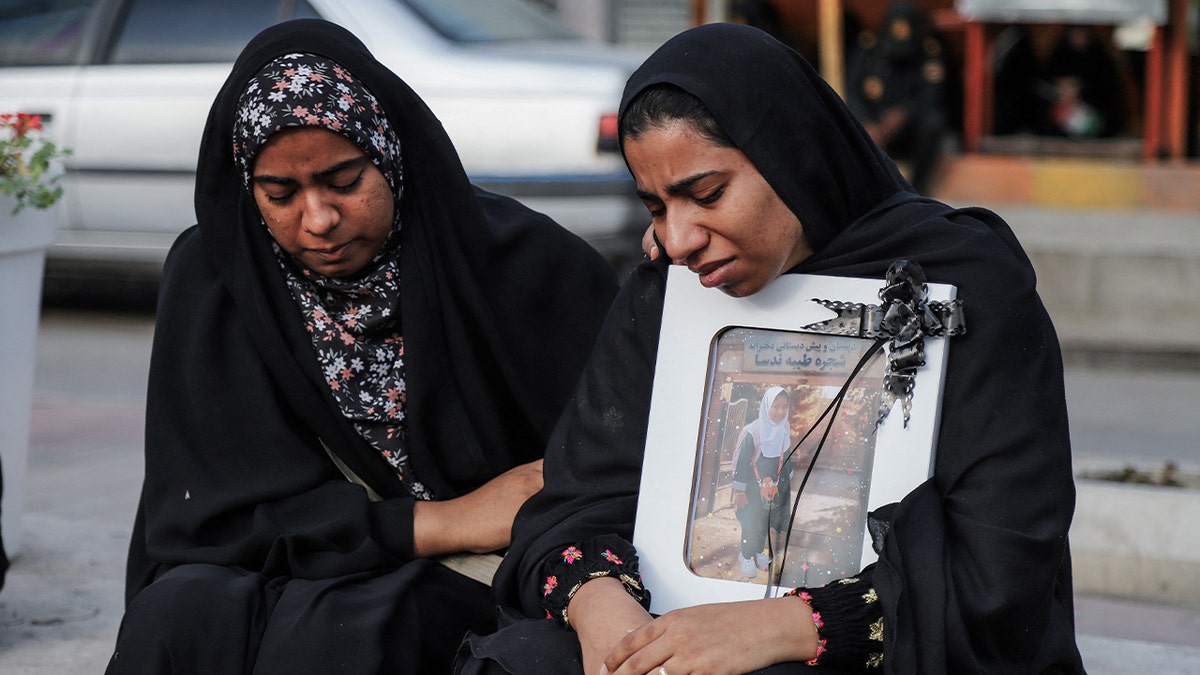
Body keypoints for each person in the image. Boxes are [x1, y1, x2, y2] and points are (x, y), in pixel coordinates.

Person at [459, 22, 1083, 674]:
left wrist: (789, 626)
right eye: (654, 207)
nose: (678, 239)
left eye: (705, 195)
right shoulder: (668, 290)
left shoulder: (962, 287)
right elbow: (579, 499)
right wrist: (605, 613)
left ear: (793, 155)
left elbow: (999, 569)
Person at [105, 19, 620, 673]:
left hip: (469, 578)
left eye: (345, 180)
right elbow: (203, 519)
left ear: (391, 151)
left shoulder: (528, 269)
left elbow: (605, 479)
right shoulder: (214, 279)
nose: (318, 220)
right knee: (174, 621)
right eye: (280, 194)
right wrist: (449, 519)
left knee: (352, 632)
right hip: (281, 557)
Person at [844, 1, 947, 195]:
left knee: (934, 122)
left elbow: (931, 96)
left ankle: (918, 191)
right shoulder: (870, 51)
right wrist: (866, 122)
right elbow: (852, 89)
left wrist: (904, 114)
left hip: (907, 130)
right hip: (872, 126)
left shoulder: (927, 53)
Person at [732, 387, 792, 580]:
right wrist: (740, 491)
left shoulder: (784, 428)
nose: (780, 411)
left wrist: (785, 483)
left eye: (784, 407)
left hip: (772, 488)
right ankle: (745, 555)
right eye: (775, 406)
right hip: (752, 487)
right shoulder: (755, 430)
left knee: (765, 522)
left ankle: (758, 551)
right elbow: (743, 461)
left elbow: (786, 457)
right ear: (767, 406)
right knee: (751, 522)